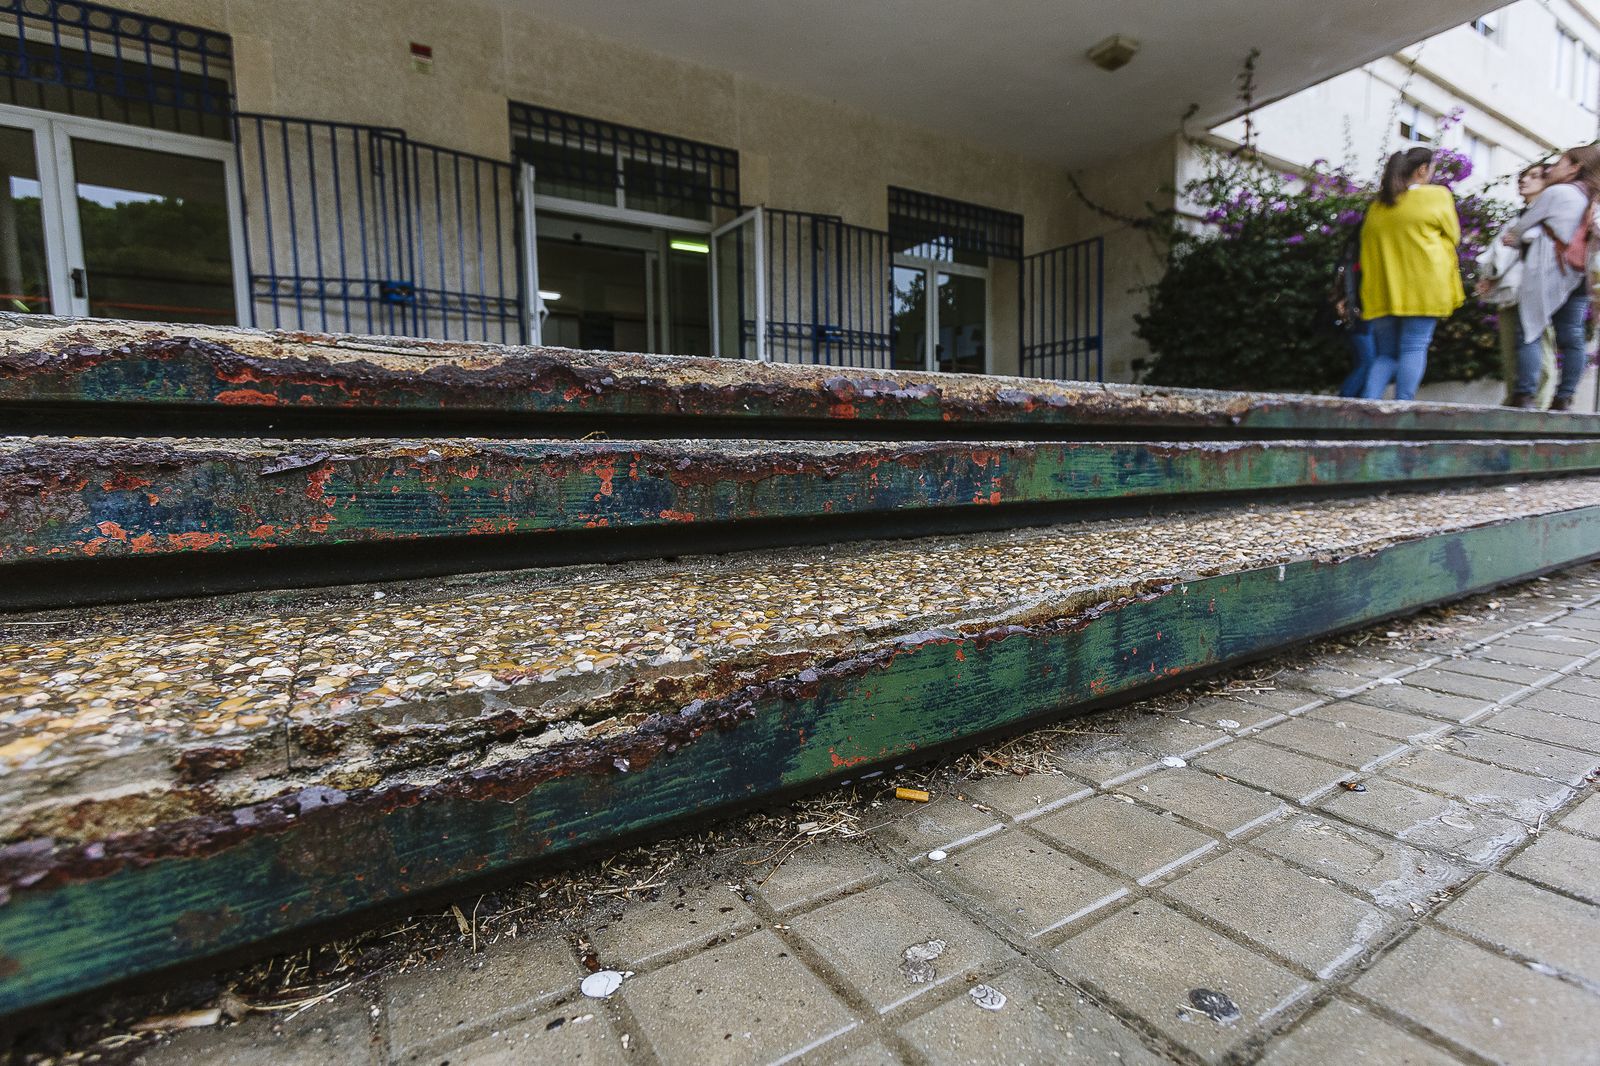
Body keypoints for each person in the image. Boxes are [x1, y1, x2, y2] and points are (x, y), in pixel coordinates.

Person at [1358, 146, 1464, 401]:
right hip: (1423, 287)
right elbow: (1454, 235)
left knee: (1386, 354)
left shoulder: (1377, 205)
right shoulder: (1436, 196)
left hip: (1382, 290)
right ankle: (1402, 406)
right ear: (1422, 169)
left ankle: (1367, 405)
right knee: (1414, 346)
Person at [1502, 145, 1600, 410]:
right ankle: (1564, 397)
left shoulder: (1559, 192)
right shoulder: (1595, 197)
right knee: (1572, 336)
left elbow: (1522, 226)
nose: (1552, 169)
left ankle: (1525, 395)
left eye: (1560, 162)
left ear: (1575, 167)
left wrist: (1515, 237)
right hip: (1580, 275)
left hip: (1548, 271)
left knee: (1530, 329)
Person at [1479, 163, 1557, 407]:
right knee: (1511, 353)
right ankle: (1515, 406)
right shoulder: (1520, 215)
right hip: (1510, 291)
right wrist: (1490, 276)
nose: (1524, 180)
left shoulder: (1550, 215)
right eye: (1523, 176)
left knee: (1539, 354)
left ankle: (1538, 408)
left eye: (1534, 176)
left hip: (1535, 289)